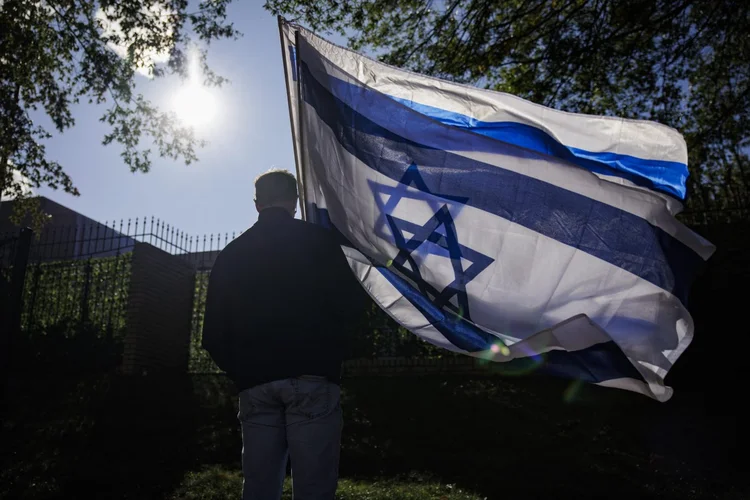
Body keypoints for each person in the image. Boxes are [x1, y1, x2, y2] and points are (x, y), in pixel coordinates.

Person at [202, 168, 369, 500]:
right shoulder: (320, 242)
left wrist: (244, 372)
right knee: (314, 488)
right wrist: (333, 358)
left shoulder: (231, 255)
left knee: (260, 486)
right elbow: (352, 306)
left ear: (256, 204)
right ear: (295, 200)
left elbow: (213, 334)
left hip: (256, 383)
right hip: (312, 376)